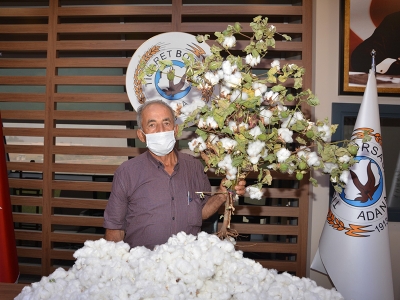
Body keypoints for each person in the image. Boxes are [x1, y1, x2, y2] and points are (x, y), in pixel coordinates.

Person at [103, 100, 246, 249]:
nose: (160, 130)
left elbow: (202, 212)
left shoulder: (195, 167)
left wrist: (222, 194)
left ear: (176, 129)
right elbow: (115, 229)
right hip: (143, 266)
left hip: (187, 265)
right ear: (141, 135)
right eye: (152, 125)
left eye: (166, 123)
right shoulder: (127, 173)